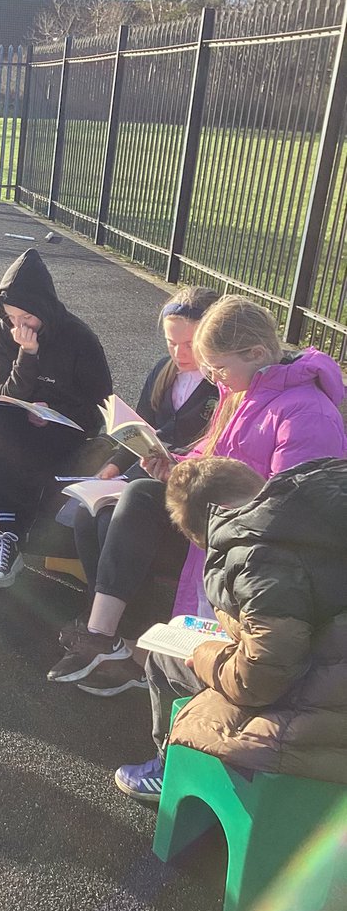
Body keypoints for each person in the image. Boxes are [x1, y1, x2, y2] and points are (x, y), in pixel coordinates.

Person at [47, 295, 347, 695]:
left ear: (257, 353)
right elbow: (211, 454)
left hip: (246, 542)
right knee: (109, 508)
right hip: (218, 524)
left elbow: (296, 505)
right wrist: (175, 464)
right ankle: (114, 641)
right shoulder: (244, 390)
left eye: (219, 368)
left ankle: (106, 639)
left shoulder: (306, 411)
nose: (215, 379)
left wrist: (198, 484)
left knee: (136, 499)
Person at [115, 455, 347, 801]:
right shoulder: (314, 510)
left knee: (163, 660)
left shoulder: (257, 557)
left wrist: (207, 656)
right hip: (330, 671)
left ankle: (169, 768)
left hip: (319, 706)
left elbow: (263, 679)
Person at [68, 287, 220, 649]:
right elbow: (137, 426)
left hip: (180, 487)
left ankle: (127, 625)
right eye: (171, 343)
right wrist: (112, 465)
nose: (179, 353)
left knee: (112, 521)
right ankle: (102, 612)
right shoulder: (163, 371)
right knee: (86, 515)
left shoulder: (220, 384)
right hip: (145, 472)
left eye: (189, 345)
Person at [0, 248, 113, 589]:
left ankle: (1, 537)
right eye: (12, 318)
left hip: (67, 434)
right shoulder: (6, 334)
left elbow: (101, 406)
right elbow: (8, 394)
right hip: (19, 430)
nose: (20, 326)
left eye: (27, 317)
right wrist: (27, 354)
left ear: (43, 308)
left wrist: (57, 418)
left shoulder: (79, 338)